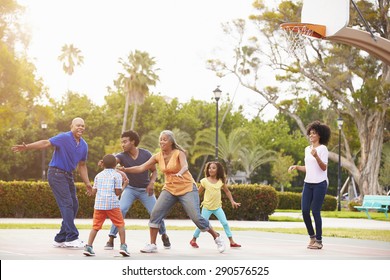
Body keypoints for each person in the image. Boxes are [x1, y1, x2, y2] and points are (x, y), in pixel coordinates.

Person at [119, 130, 225, 253]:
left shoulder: (179, 153)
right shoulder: (157, 156)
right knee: (155, 214)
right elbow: (141, 168)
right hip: (169, 189)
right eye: (160, 139)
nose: (161, 141)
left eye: (164, 139)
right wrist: (125, 169)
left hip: (187, 188)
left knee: (196, 217)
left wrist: (180, 173)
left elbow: (185, 166)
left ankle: (217, 237)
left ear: (171, 142)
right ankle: (152, 244)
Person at [11, 117, 92, 248]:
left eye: (83, 126)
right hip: (56, 173)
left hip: (68, 175)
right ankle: (72, 237)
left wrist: (87, 183)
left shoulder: (84, 145)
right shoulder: (64, 137)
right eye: (78, 125)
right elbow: (45, 143)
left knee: (74, 205)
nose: (81, 128)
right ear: (71, 126)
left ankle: (60, 238)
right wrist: (27, 147)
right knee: (67, 204)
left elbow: (82, 165)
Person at [105, 130, 171, 250]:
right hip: (130, 189)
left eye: (125, 142)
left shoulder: (146, 154)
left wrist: (151, 183)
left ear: (133, 142)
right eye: (122, 142)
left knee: (155, 212)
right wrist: (105, 162)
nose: (122, 144)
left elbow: (154, 171)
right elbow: (113, 161)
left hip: (145, 189)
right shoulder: (121, 155)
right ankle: (111, 238)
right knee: (121, 210)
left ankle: (164, 234)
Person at [288, 120, 331, 250]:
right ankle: (312, 237)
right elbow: (309, 168)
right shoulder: (307, 149)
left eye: (314, 133)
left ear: (320, 136)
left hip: (320, 184)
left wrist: (317, 156)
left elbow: (323, 167)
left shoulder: (323, 149)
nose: (311, 135)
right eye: (310, 133)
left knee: (315, 211)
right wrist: (296, 166)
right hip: (308, 183)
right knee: (305, 211)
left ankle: (319, 240)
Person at [83, 154, 130, 257]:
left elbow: (94, 191)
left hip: (99, 205)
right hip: (112, 204)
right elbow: (118, 192)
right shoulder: (117, 175)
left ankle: (89, 246)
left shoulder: (98, 176)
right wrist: (125, 185)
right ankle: (123, 246)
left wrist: (90, 191)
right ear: (116, 165)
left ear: (103, 164)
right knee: (120, 225)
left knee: (95, 227)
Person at [190, 161, 241, 248]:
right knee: (202, 224)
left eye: (213, 168)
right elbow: (198, 193)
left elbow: (227, 191)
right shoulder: (205, 181)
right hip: (206, 207)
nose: (211, 169)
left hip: (217, 208)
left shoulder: (220, 181)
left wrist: (232, 201)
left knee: (225, 223)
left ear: (218, 170)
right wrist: (191, 201)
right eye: (209, 168)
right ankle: (193, 239)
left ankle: (232, 242)